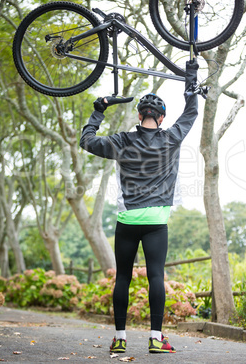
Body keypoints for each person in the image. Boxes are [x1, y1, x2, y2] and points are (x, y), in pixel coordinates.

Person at [80, 61, 198, 354]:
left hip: (127, 219)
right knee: (156, 276)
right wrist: (191, 80)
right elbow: (192, 111)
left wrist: (99, 109)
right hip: (157, 220)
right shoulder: (171, 138)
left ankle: (120, 339)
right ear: (161, 118)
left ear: (139, 115)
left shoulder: (122, 141)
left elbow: (87, 140)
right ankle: (156, 339)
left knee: (123, 277)